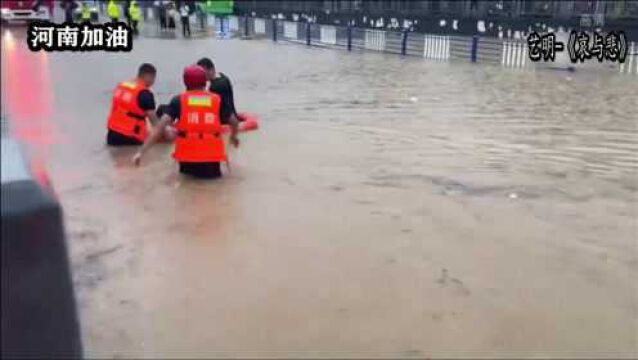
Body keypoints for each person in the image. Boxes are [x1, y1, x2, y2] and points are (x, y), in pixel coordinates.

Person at [132, 65, 240, 179]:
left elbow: (159, 128)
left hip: (188, 158)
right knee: (212, 190)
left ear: (185, 82)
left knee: (187, 188)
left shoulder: (178, 101)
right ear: (204, 82)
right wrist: (234, 137)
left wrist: (141, 152)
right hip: (212, 158)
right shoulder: (217, 100)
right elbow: (234, 122)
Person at [106, 63, 160, 146]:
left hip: (111, 135)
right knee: (163, 136)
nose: (153, 82)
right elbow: (155, 124)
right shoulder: (145, 94)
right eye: (153, 78)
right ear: (148, 76)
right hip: (130, 137)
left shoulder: (122, 86)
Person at [196, 57, 244, 125]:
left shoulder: (215, 87)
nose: (201, 75)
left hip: (224, 122)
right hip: (233, 115)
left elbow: (212, 107)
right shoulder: (223, 77)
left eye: (202, 72)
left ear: (211, 69)